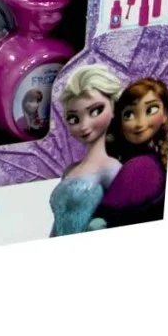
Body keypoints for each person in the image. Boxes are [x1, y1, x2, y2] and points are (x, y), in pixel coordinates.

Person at [49, 65, 123, 235]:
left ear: (113, 108)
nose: (84, 126)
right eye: (73, 118)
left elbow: (123, 217)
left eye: (96, 111)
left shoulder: (111, 169)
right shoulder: (70, 170)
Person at [95, 78, 168, 227]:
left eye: (151, 110)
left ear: (166, 114)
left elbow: (100, 222)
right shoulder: (150, 161)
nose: (140, 124)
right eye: (129, 114)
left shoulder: (140, 165)